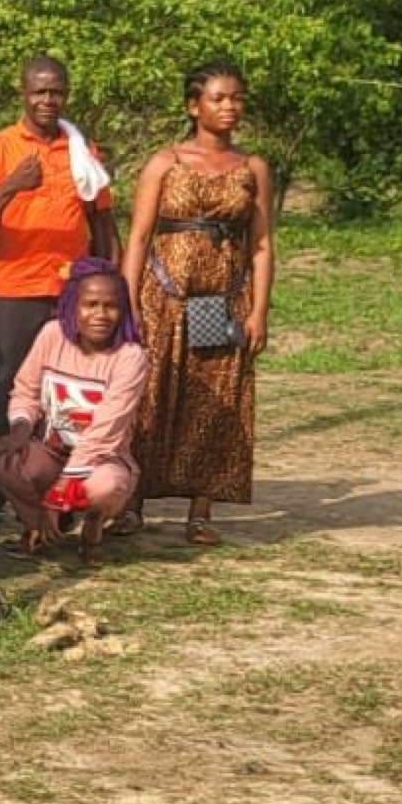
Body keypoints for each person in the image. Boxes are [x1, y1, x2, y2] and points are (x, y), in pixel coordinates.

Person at [119, 61, 275, 545]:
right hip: (162, 297)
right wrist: (129, 309)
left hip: (224, 300)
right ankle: (130, 504)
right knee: (147, 396)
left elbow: (263, 245)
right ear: (193, 106)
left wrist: (258, 311)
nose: (229, 107)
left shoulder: (253, 169)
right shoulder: (164, 163)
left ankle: (201, 511)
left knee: (218, 400)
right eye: (218, 98)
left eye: (236, 98)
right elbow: (140, 237)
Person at [0, 55, 118, 447]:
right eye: (40, 92)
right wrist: (11, 185)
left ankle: (55, 493)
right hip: (13, 292)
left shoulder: (82, 151)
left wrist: (114, 285)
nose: (49, 100)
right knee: (3, 388)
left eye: (57, 92)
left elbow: (102, 222)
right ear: (24, 94)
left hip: (71, 291)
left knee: (66, 391)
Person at [0, 259, 148, 565]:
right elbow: (26, 390)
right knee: (3, 458)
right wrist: (21, 430)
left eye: (111, 306)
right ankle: (38, 527)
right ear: (73, 306)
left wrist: (60, 493)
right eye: (90, 304)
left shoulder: (130, 357)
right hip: (52, 451)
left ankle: (93, 528)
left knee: (105, 487)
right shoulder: (52, 335)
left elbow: (104, 431)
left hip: (101, 458)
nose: (100, 315)